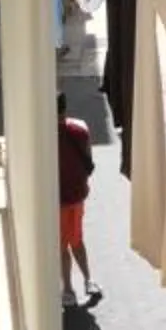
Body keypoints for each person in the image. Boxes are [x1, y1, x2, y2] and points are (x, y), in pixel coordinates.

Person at [57, 96, 96, 306]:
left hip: (57, 199)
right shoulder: (80, 129)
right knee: (77, 239)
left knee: (61, 245)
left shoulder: (43, 135)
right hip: (77, 194)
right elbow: (88, 158)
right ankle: (89, 280)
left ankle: (68, 289)